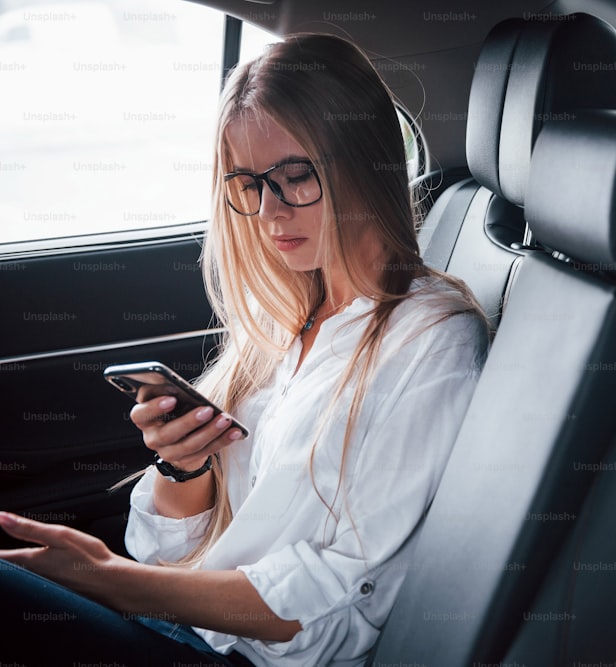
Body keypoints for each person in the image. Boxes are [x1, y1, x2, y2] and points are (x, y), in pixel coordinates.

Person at [0, 33, 488, 666]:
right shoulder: (285, 316)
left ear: (367, 162)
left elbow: (337, 604)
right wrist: (185, 468)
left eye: (296, 176)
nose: (268, 213)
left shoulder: (431, 341)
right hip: (189, 628)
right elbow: (179, 559)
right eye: (249, 183)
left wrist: (105, 578)